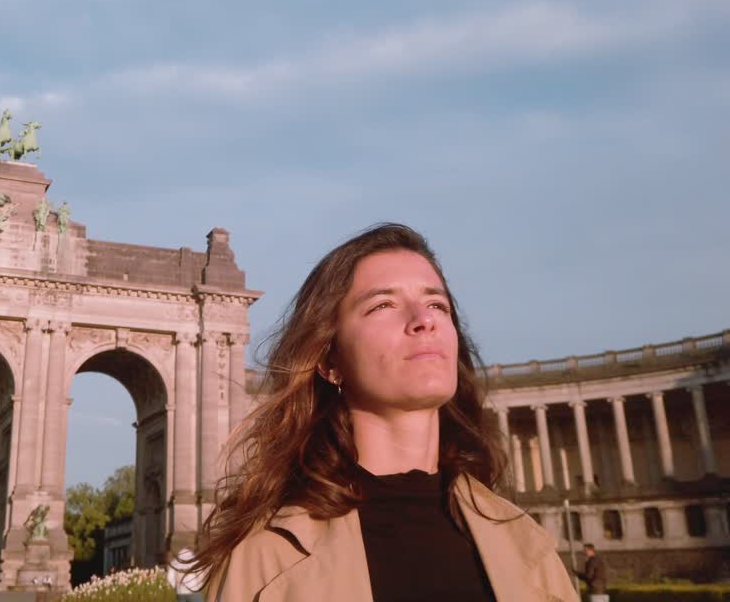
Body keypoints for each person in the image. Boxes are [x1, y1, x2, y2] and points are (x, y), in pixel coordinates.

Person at [197, 223, 578, 601]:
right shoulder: (261, 560)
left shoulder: (529, 546)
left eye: (437, 304)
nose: (424, 319)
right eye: (383, 305)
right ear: (330, 360)